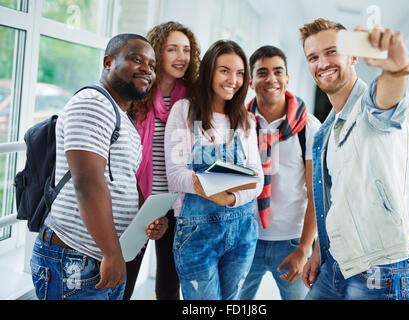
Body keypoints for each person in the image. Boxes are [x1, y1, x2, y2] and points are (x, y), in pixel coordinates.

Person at [29, 34, 168, 300]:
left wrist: (146, 218)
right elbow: (88, 182)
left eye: (152, 65)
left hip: (97, 258)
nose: (147, 69)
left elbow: (123, 181)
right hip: (75, 258)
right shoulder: (94, 104)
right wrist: (111, 252)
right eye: (136, 59)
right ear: (108, 62)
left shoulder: (121, 117)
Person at [299, 18, 409, 300]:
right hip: (336, 264)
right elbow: (336, 198)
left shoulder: (371, 108)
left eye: (331, 52)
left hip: (380, 272)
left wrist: (396, 69)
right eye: (313, 57)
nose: (322, 63)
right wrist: (319, 250)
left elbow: (388, 100)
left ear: (353, 56)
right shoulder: (325, 131)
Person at [164, 40, 263, 300]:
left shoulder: (246, 120)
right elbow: (175, 176)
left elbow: (256, 179)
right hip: (197, 234)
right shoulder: (184, 111)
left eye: (240, 73)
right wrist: (226, 184)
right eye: (224, 70)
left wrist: (228, 197)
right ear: (209, 71)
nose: (234, 79)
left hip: (243, 230)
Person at [125, 21, 201, 301]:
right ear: (157, 51)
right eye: (172, 49)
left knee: (170, 287)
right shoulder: (137, 93)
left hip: (178, 203)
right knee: (124, 280)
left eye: (186, 50)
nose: (181, 57)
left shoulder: (195, 97)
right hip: (138, 201)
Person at [240, 45, 320, 300]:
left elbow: (316, 193)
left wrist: (305, 248)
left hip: (291, 241)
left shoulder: (309, 127)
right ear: (251, 81)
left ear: (287, 79)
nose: (271, 79)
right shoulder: (238, 123)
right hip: (244, 238)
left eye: (278, 72)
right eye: (262, 72)